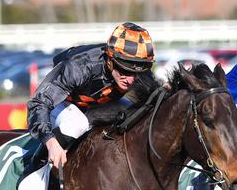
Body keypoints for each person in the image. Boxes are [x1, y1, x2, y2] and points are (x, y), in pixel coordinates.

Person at [26, 21, 155, 169]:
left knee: (136, 113)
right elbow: (38, 103)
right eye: (125, 70)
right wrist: (50, 141)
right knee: (77, 124)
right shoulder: (79, 66)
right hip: (64, 104)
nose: (131, 79)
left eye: (137, 72)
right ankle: (35, 167)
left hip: (95, 107)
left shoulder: (138, 66)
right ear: (110, 60)